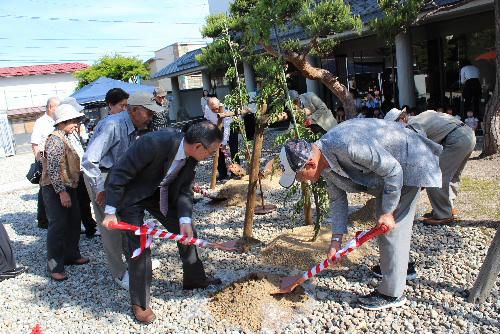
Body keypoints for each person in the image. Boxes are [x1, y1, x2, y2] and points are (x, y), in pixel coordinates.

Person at [278, 119, 442, 310]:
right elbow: (337, 200)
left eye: (298, 176)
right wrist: (336, 241)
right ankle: (402, 269)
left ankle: (392, 294)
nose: (300, 181)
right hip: (388, 174)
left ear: (310, 164)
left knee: (390, 229)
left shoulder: (347, 145)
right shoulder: (324, 161)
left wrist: (388, 212)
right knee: (387, 226)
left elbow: (393, 170)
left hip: (407, 163)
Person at [101, 121, 223, 324]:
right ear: (198, 146)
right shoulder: (154, 143)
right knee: (140, 246)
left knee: (187, 231)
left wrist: (185, 219)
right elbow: (119, 173)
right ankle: (140, 303)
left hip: (160, 193)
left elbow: (184, 189)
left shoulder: (192, 156)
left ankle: (194, 278)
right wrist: (111, 211)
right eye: (211, 152)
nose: (211, 156)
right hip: (132, 195)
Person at [82, 92, 161, 290]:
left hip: (118, 175)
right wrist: (100, 188)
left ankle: (134, 261)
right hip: (100, 175)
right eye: (149, 113)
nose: (151, 117)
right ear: (134, 110)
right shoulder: (113, 125)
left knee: (127, 220)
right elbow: (89, 161)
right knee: (111, 226)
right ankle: (119, 272)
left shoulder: (135, 126)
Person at [385, 109, 476, 225]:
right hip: (468, 135)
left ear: (402, 118)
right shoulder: (422, 116)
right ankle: (448, 208)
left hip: (456, 139)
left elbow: (420, 155)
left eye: (394, 126)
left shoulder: (413, 127)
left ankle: (443, 215)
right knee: (452, 176)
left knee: (435, 177)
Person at [40, 104, 89, 281]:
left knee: (74, 221)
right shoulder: (55, 140)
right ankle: (55, 266)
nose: (76, 124)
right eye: (74, 121)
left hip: (69, 185)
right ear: (63, 122)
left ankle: (71, 255)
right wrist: (61, 192)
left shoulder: (65, 137)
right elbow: (53, 169)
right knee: (58, 226)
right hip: (54, 188)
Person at [60, 97, 98, 238]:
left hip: (81, 170)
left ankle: (89, 226)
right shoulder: (61, 134)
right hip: (73, 173)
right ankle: (88, 227)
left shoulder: (75, 129)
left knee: (85, 200)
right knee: (81, 202)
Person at [31, 97, 59, 229]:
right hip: (45, 159)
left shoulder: (57, 120)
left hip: (57, 160)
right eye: (57, 107)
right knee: (45, 189)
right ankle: (43, 220)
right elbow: (35, 144)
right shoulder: (41, 122)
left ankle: (48, 217)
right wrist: (41, 161)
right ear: (50, 107)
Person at [204, 97, 238, 180]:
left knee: (233, 149)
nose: (215, 110)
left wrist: (224, 142)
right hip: (216, 128)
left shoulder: (225, 108)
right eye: (213, 109)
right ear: (209, 106)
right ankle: (222, 173)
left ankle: (235, 172)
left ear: (219, 104)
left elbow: (227, 126)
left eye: (217, 108)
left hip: (230, 126)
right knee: (218, 151)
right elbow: (208, 120)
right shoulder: (207, 108)